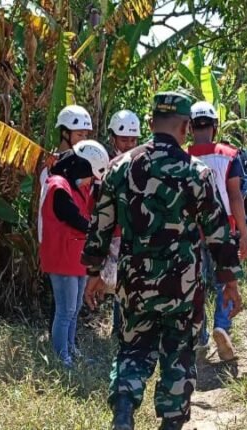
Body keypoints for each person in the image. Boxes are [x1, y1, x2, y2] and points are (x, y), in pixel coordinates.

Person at [82, 92, 243, 430]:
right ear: (185, 127)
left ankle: (124, 411)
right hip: (181, 286)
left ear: (151, 124)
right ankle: (170, 424)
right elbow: (217, 232)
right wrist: (229, 280)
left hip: (135, 283)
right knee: (178, 354)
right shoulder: (196, 173)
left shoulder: (119, 168)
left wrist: (94, 273)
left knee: (133, 349)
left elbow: (100, 224)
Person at [186, 101, 247, 362]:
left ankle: (199, 340)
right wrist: (244, 234)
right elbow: (235, 196)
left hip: (191, 231)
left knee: (196, 286)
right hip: (223, 228)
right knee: (225, 282)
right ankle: (221, 327)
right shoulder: (229, 154)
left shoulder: (182, 155)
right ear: (215, 126)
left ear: (190, 128)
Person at [40, 140, 109, 368]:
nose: (91, 181)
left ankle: (71, 349)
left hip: (75, 258)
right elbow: (72, 217)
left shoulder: (77, 187)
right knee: (65, 310)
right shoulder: (58, 186)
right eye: (91, 174)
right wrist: (95, 230)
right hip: (61, 258)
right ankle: (63, 359)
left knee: (75, 308)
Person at [103, 109, 143, 334]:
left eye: (132, 139)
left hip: (136, 232)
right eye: (124, 139)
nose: (128, 144)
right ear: (113, 138)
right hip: (115, 233)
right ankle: (119, 329)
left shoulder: (142, 162)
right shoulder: (106, 163)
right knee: (118, 283)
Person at [38, 104, 95, 243]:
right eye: (79, 134)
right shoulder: (50, 165)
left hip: (76, 243)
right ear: (65, 133)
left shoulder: (84, 162)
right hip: (59, 241)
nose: (83, 140)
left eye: (85, 135)